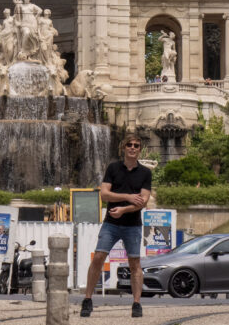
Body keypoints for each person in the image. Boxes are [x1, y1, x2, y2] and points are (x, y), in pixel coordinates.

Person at [81, 134, 152, 319]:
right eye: (129, 144)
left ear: (139, 149)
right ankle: (87, 299)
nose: (133, 147)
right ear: (124, 147)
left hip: (133, 225)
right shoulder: (113, 168)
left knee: (135, 263)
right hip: (111, 223)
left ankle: (137, 303)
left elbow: (143, 202)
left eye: (136, 145)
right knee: (98, 257)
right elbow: (104, 195)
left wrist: (123, 209)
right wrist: (128, 197)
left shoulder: (145, 173)